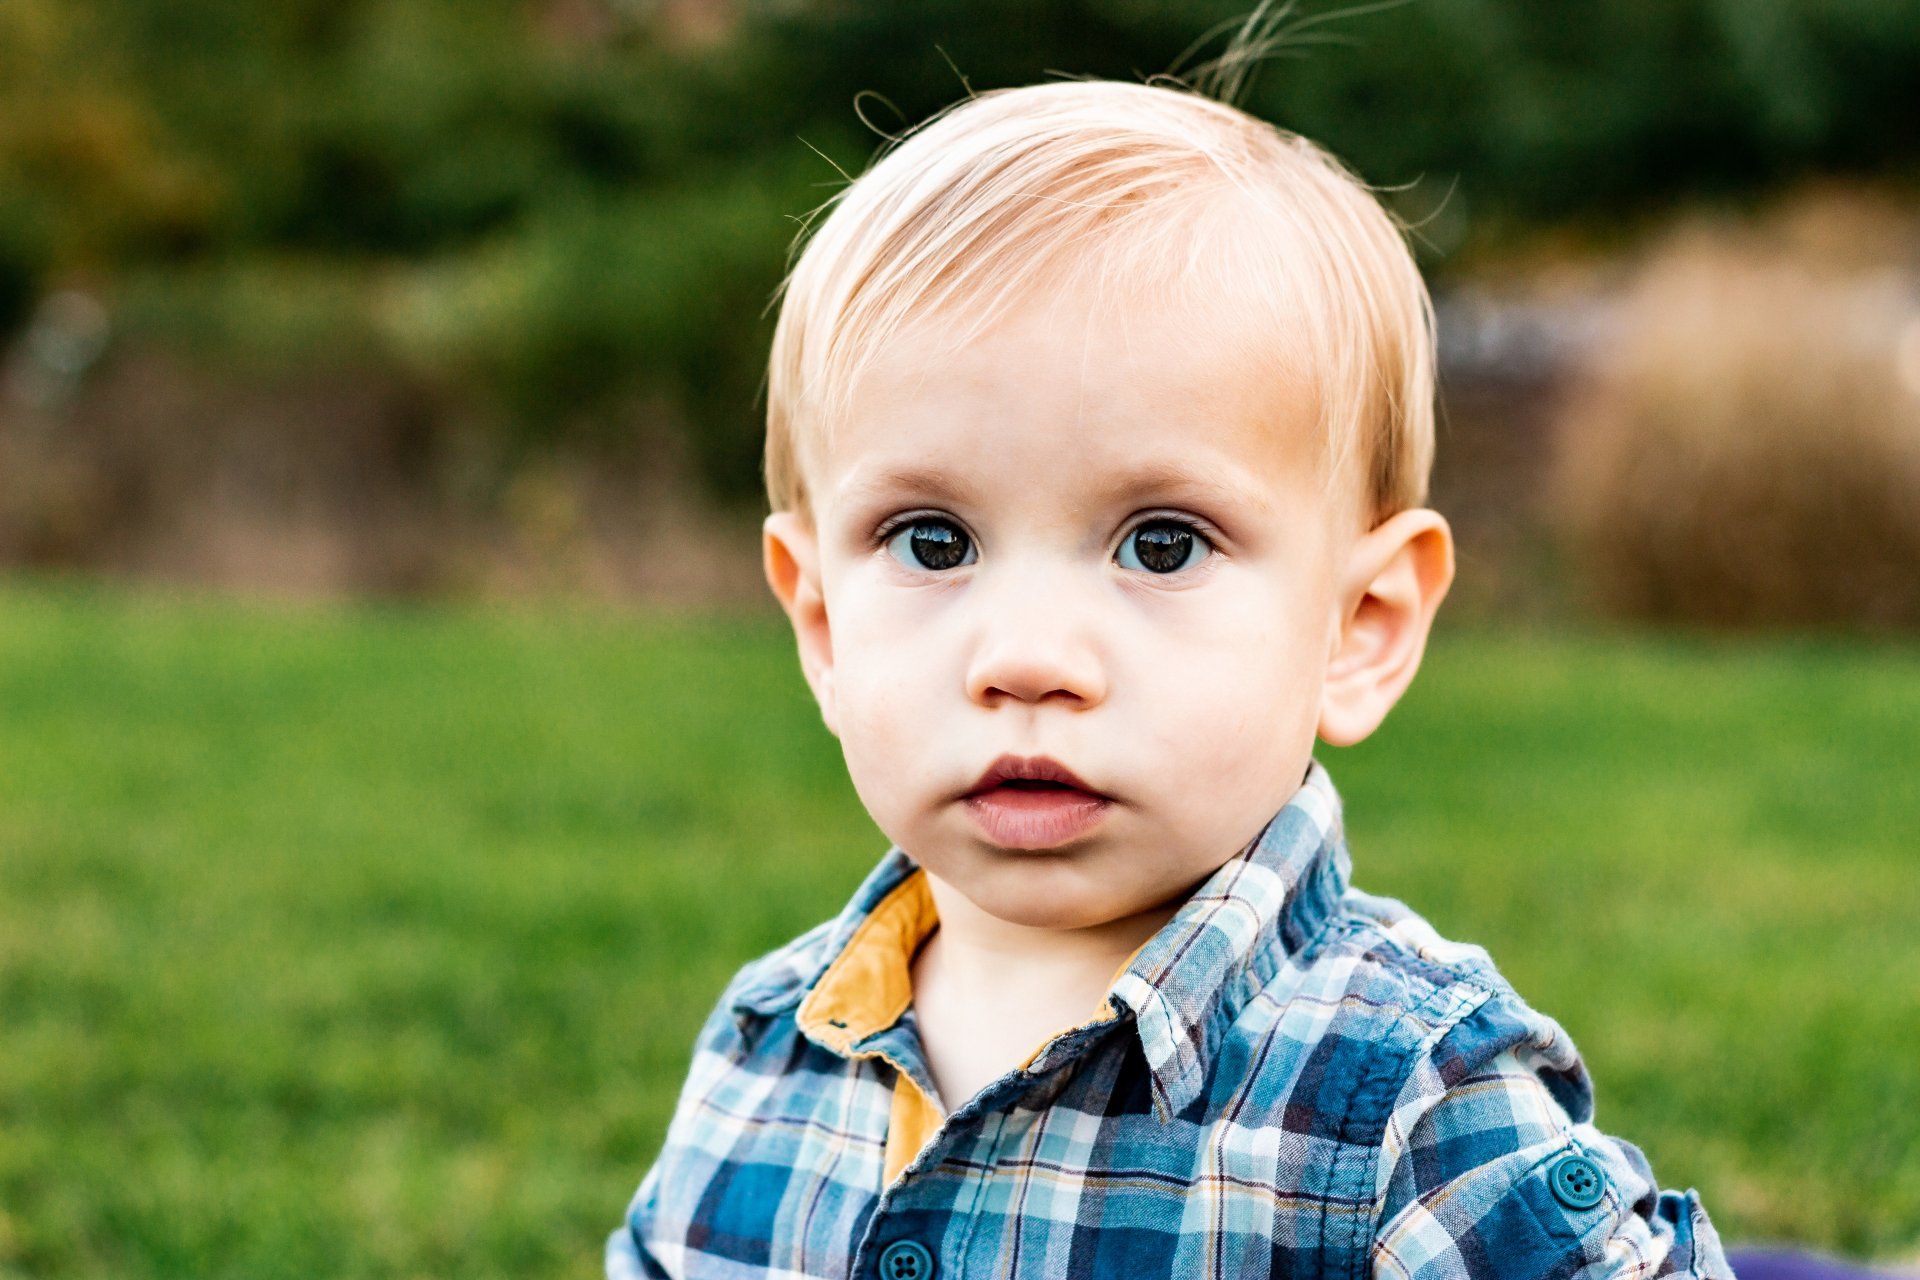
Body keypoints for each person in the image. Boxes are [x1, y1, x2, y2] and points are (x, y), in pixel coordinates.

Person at [606, 67, 1734, 1280]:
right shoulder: (766, 1055)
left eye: (1161, 543)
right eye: (933, 541)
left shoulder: (1410, 1100)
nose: (1028, 656)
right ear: (823, 625)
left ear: (1360, 623)